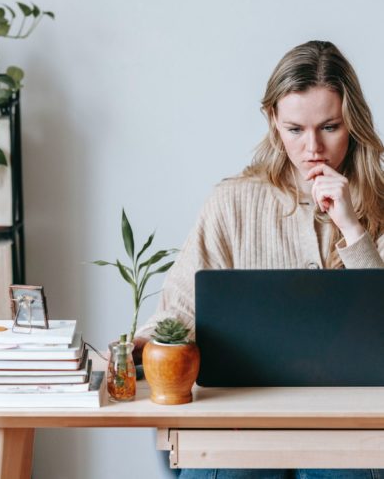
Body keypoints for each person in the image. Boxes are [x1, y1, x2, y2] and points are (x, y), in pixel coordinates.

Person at [134, 40, 384, 479]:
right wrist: (134, 352)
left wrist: (352, 228)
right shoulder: (232, 202)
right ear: (272, 121)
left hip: (355, 427)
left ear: (354, 123)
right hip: (240, 423)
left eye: (329, 127)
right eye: (295, 130)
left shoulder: (379, 203)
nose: (313, 149)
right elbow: (177, 313)